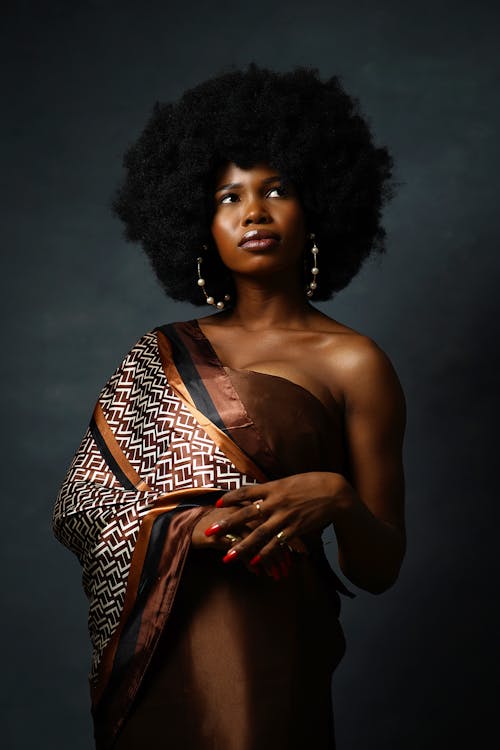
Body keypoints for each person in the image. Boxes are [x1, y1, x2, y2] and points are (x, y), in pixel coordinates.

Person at [53, 64, 406, 750]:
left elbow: (381, 567)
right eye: (227, 197)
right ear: (198, 223)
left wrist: (337, 499)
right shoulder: (159, 354)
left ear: (319, 207)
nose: (253, 212)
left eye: (276, 189)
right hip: (166, 645)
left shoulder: (356, 364)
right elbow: (81, 507)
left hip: (277, 652)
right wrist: (192, 531)